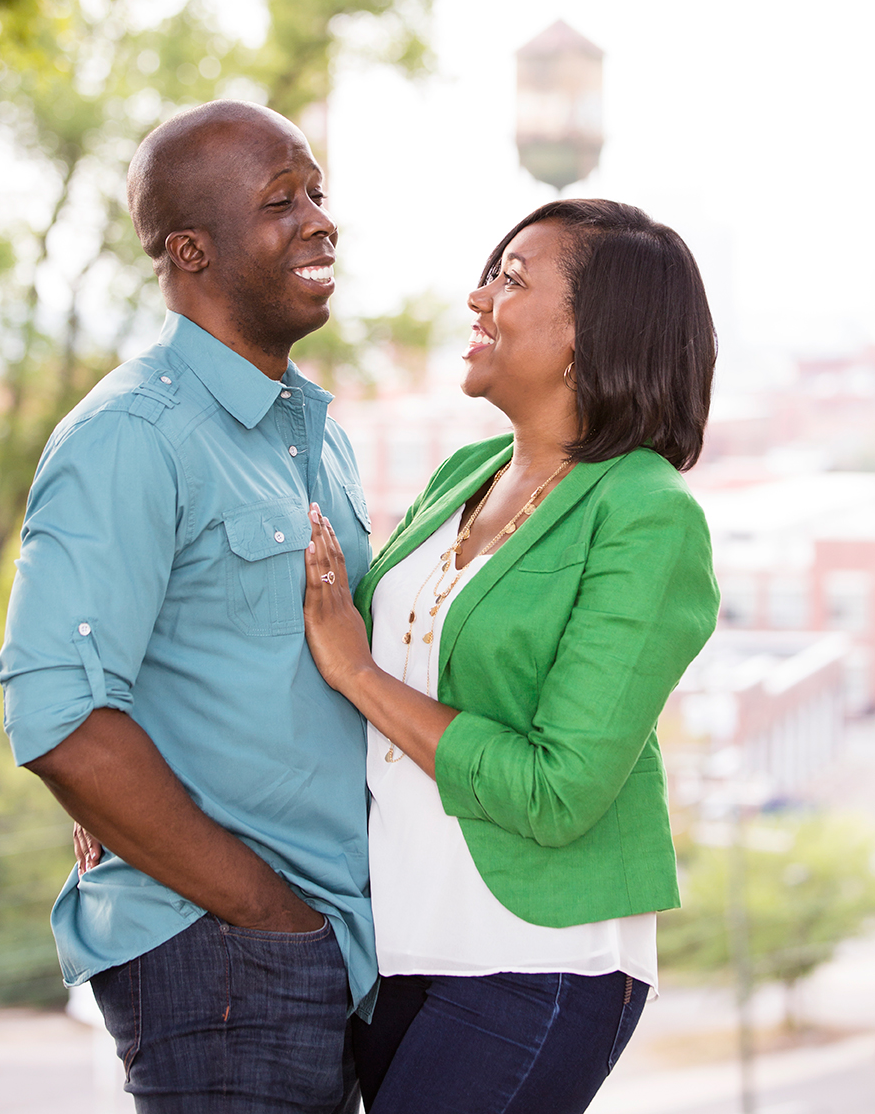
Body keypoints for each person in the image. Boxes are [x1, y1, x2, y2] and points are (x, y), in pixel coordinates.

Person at [0, 100, 377, 1114]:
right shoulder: (130, 433)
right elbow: (60, 716)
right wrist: (268, 914)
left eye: (316, 192)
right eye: (281, 201)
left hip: (330, 951)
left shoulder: (317, 439)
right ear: (191, 251)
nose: (320, 220)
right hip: (222, 958)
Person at [301, 198, 720, 1114]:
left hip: (540, 957)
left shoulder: (648, 513)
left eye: (513, 279)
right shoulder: (467, 472)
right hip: (395, 939)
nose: (478, 297)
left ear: (591, 333)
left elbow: (558, 788)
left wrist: (359, 673)